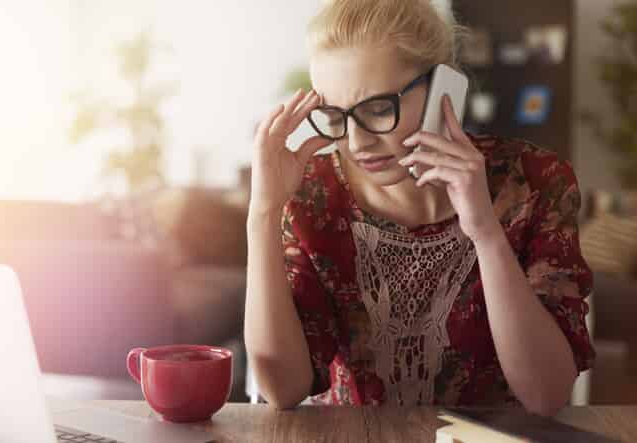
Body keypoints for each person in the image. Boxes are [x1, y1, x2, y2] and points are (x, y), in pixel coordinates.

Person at [244, 0, 594, 417]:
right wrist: (262, 213)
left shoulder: (536, 181)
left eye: (377, 108)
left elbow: (546, 394)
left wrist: (484, 229)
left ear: (444, 88)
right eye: (335, 116)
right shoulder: (311, 194)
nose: (356, 142)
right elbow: (283, 389)